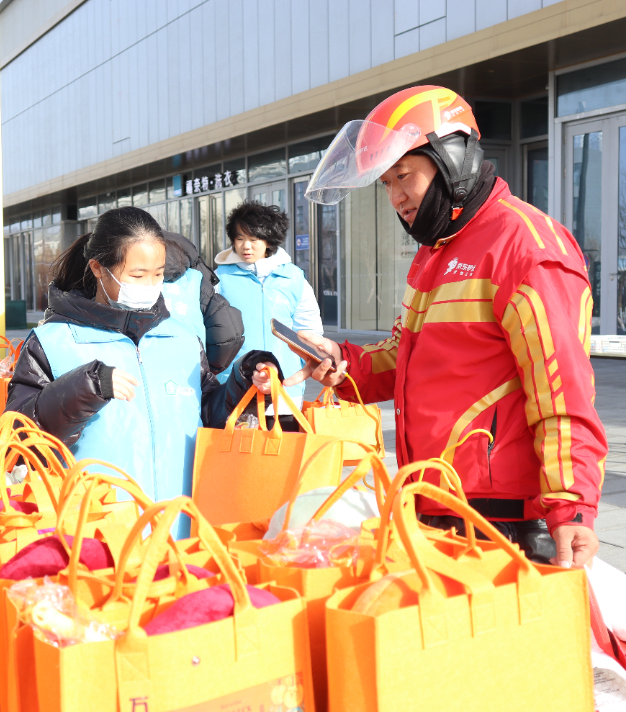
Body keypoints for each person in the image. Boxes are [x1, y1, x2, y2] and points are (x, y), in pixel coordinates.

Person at [291, 85, 607, 567]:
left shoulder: (526, 248)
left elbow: (563, 393)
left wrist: (572, 506)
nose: (396, 197)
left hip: (502, 517)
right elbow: (408, 353)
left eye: (403, 176)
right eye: (386, 184)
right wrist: (345, 364)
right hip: (433, 496)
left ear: (452, 160)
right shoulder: (437, 249)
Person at [6, 207, 280, 537]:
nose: (150, 286)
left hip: (182, 531)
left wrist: (245, 382)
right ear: (98, 268)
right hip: (94, 539)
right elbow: (17, 442)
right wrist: (82, 389)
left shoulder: (181, 336)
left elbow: (208, 413)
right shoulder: (53, 342)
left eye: (158, 274)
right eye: (137, 276)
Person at [214, 200, 323, 415]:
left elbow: (309, 329)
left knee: (284, 436)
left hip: (286, 385)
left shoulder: (293, 277)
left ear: (269, 240)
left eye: (254, 239)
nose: (246, 246)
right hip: (236, 384)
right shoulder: (220, 279)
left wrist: (304, 367)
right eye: (239, 238)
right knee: (239, 437)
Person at [161, 230, 245, 375]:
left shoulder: (127, 279)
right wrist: (209, 368)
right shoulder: (196, 277)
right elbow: (227, 328)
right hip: (192, 370)